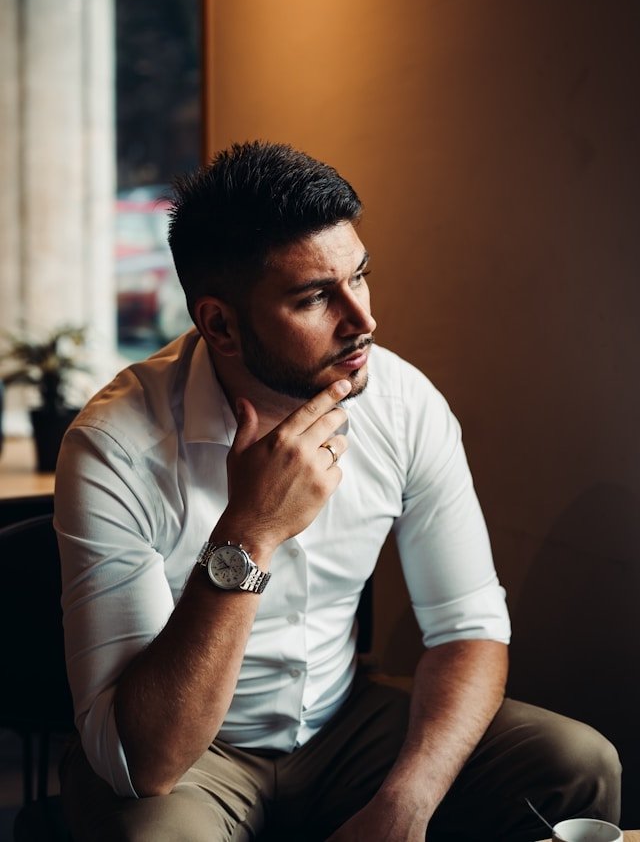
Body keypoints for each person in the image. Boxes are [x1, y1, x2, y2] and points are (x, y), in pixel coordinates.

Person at [55, 141, 621, 841]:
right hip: (194, 752)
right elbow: (144, 760)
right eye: (315, 297)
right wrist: (250, 531)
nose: (362, 320)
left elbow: (468, 627)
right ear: (221, 324)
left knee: (578, 764)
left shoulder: (403, 404)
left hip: (344, 725)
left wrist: (406, 802)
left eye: (360, 277)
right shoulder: (114, 447)